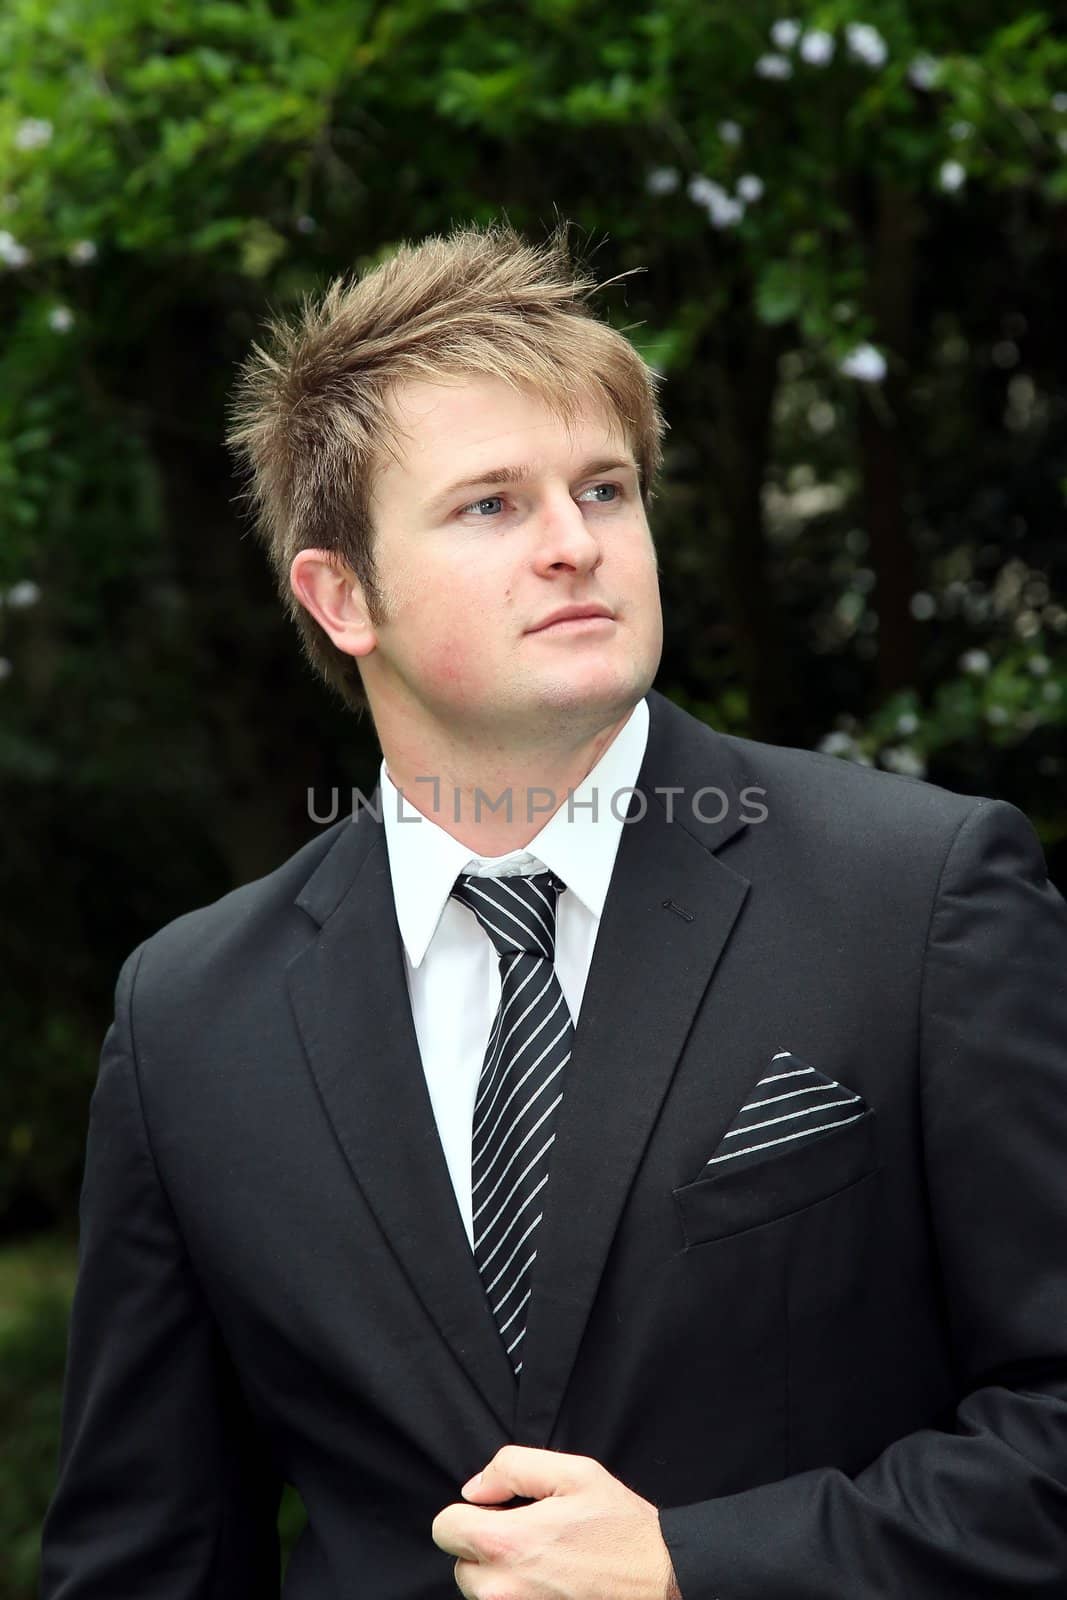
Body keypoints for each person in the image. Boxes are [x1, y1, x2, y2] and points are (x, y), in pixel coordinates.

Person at [41, 220, 1067, 1599]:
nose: (575, 545)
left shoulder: (922, 895)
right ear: (341, 595)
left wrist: (700, 1565)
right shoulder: (189, 1019)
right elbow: (144, 1555)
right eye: (492, 505)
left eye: (607, 489)